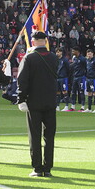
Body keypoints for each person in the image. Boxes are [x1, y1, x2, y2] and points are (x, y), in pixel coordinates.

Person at [17, 31, 59, 177]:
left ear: (33, 41)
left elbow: (22, 80)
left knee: (34, 136)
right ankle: (47, 168)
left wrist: (21, 99)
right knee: (49, 136)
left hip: (34, 101)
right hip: (50, 101)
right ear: (45, 41)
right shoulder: (54, 58)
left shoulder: (29, 58)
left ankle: (37, 167)